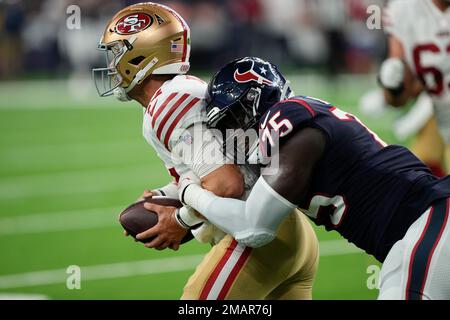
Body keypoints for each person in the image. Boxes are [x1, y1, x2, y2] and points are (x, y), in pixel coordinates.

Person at [169, 56, 450, 300]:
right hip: (416, 231)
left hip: (428, 220)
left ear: (255, 100)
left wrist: (189, 193)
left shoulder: (285, 117)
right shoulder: (295, 123)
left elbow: (254, 227)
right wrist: (180, 210)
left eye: (232, 121)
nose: (232, 135)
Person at [93, 3, 318, 299]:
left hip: (259, 238)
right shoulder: (182, 91)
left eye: (118, 53)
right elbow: (216, 170)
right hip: (288, 233)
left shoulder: (169, 101)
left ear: (141, 54)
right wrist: (166, 195)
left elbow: (226, 185)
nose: (112, 65)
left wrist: (179, 220)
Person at [379, 0, 450, 176]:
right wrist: (392, 84)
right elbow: (400, 97)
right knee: (420, 168)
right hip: (441, 114)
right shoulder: (404, 10)